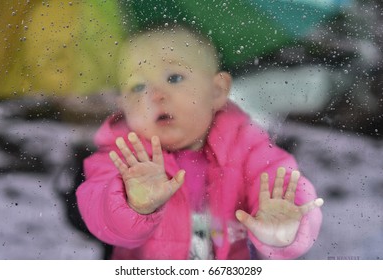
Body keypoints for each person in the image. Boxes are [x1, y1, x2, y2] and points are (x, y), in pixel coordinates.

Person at [76, 24, 323, 260]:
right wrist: (133, 205)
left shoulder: (247, 148)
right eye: (138, 85)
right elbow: (99, 212)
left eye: (173, 78)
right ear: (123, 104)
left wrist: (283, 228)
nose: (155, 95)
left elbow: (285, 183)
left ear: (216, 91)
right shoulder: (121, 156)